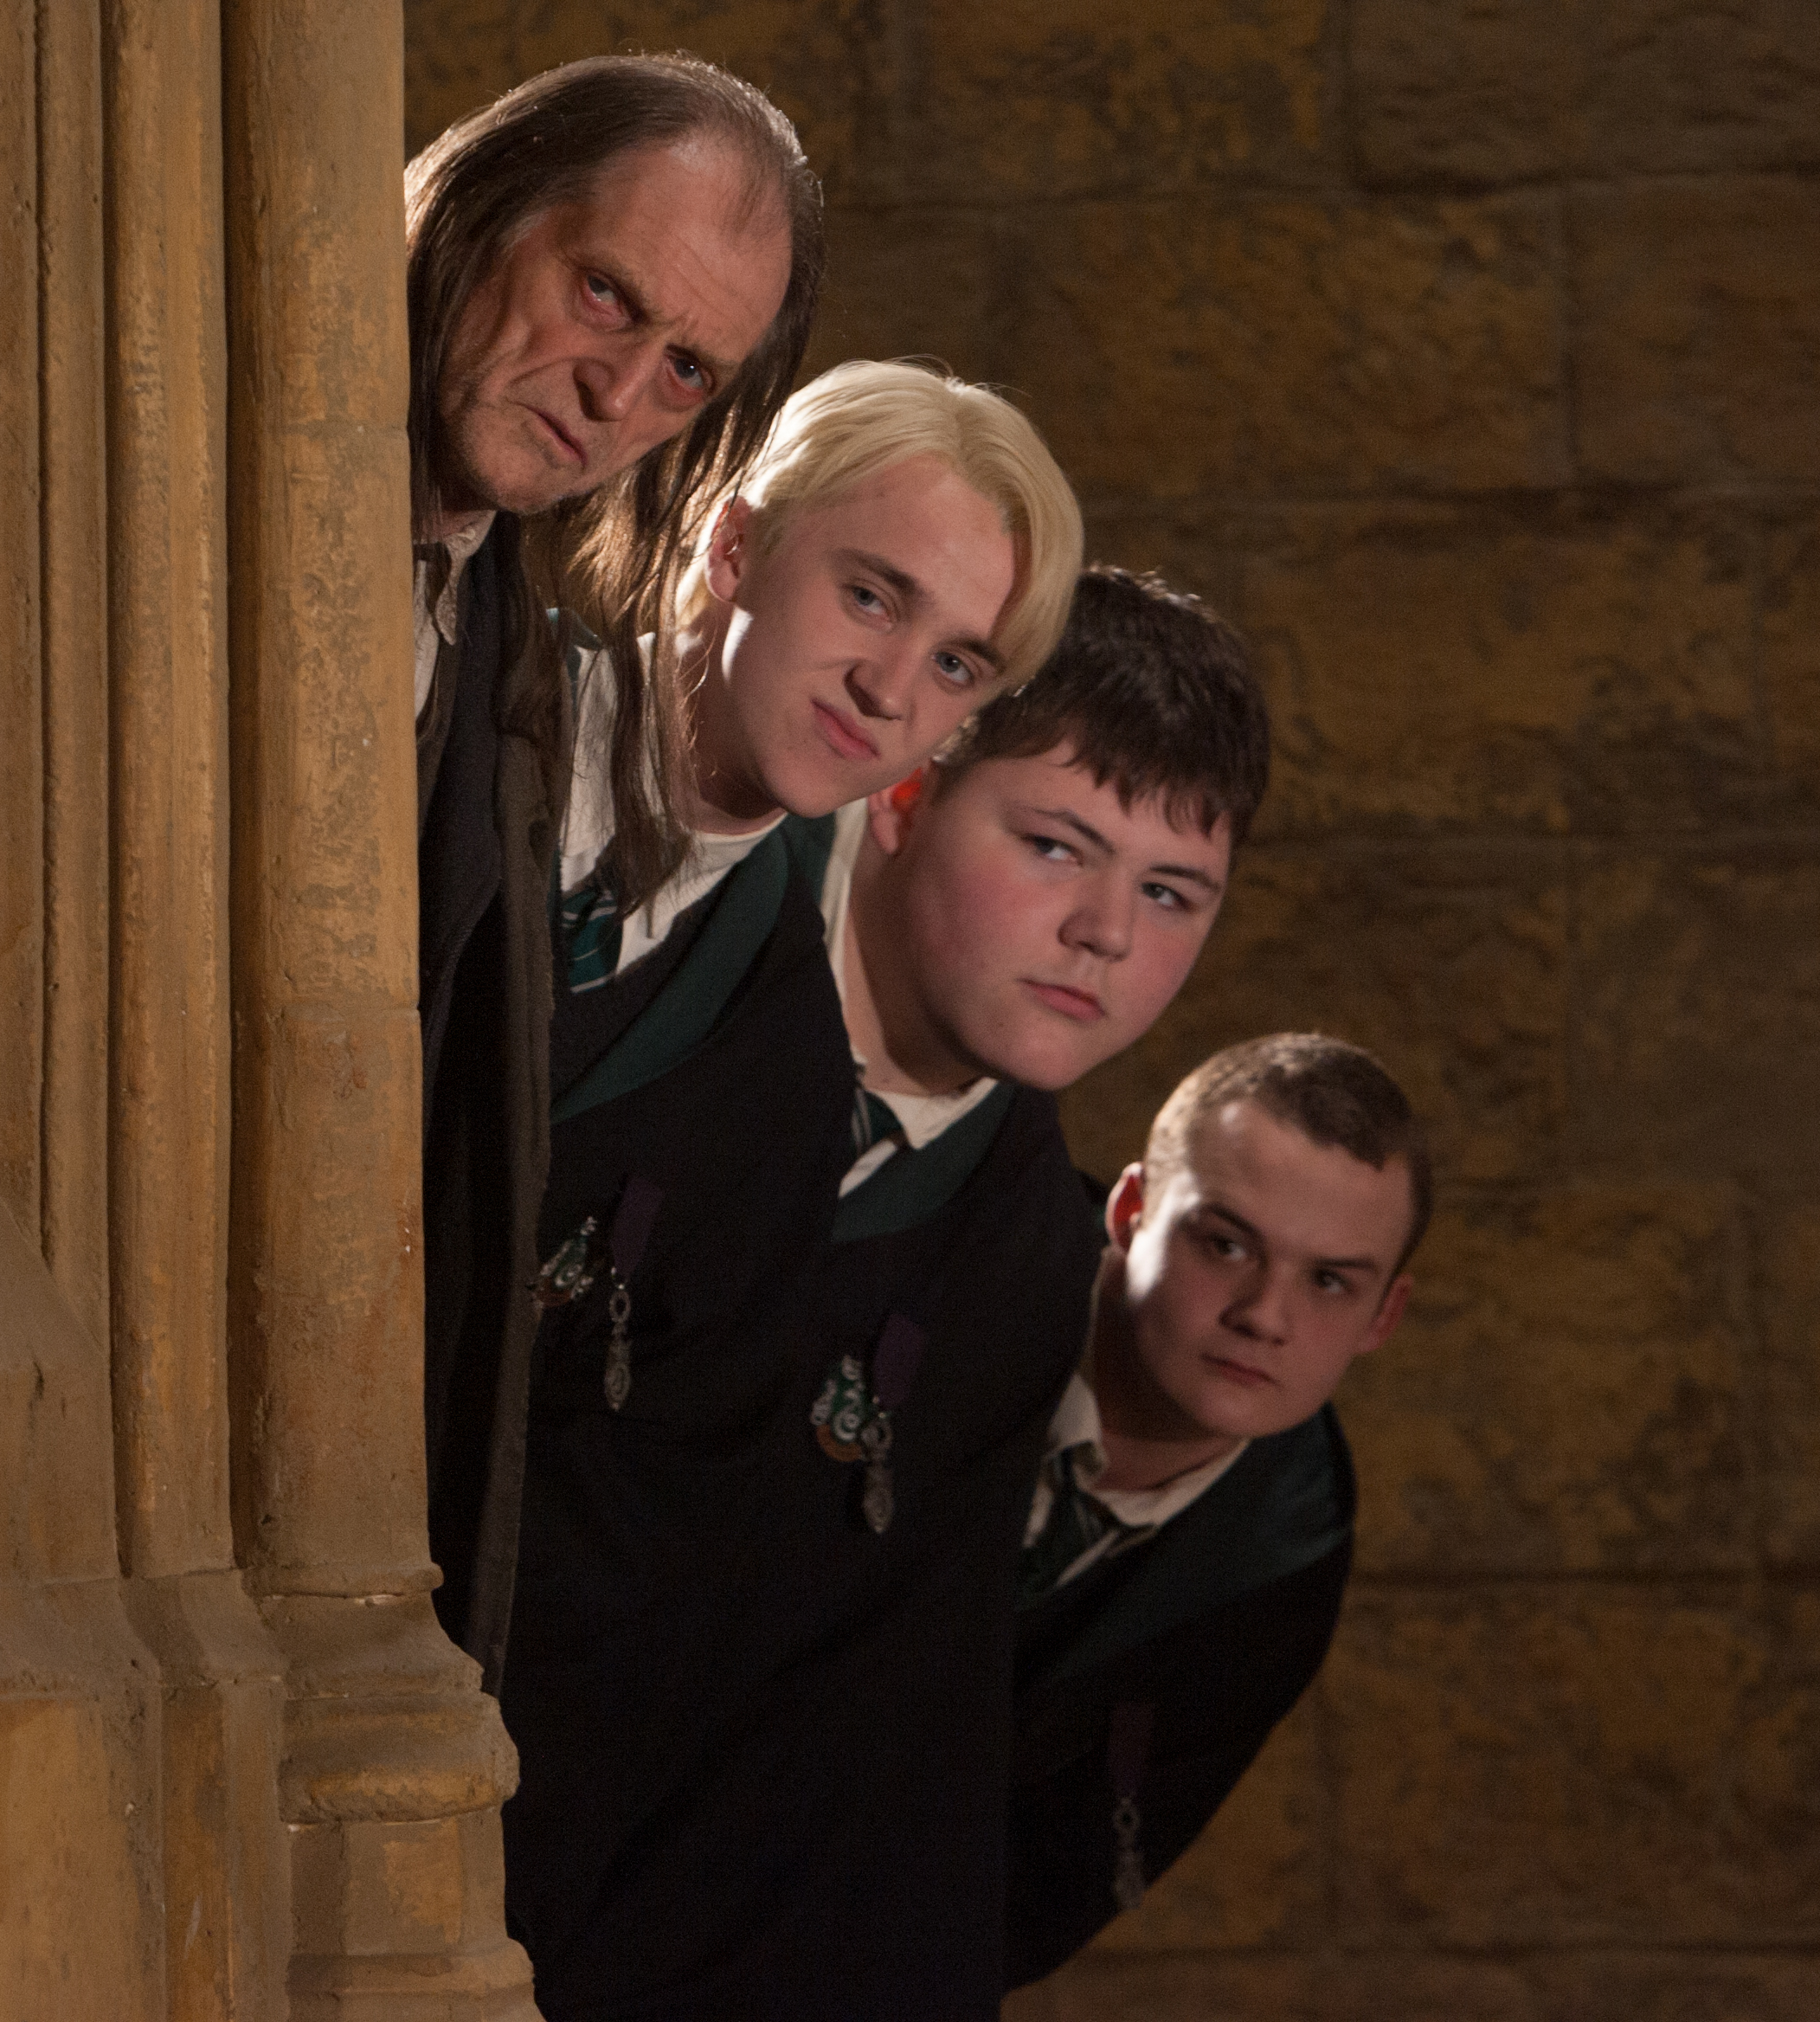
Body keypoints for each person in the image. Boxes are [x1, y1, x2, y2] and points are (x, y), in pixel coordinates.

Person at [493, 565, 1270, 2020]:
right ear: (908, 789)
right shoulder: (654, 935)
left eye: (1167, 892)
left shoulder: (1030, 1271)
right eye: (1054, 847)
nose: (1104, 934)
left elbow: (862, 1796)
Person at [429, 357, 1081, 1679]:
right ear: (736, 546)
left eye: (954, 661)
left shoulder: (784, 1074)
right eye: (869, 596)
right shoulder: (450, 701)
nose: (890, 687)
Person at [403, 55, 822, 1677]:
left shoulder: (503, 648)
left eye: (682, 372)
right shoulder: (209, 481)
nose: (613, 388)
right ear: (480, 202)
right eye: (601, 293)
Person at [1003, 1033, 1429, 1989]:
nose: (1265, 1315)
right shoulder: (940, 1286)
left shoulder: (1282, 1555)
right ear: (1130, 1211)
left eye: (1329, 1280)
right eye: (1226, 1243)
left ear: (1382, 1318)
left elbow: (1033, 1899)